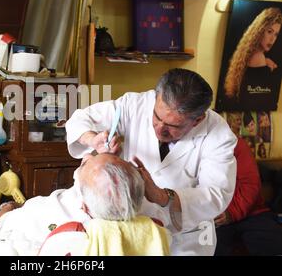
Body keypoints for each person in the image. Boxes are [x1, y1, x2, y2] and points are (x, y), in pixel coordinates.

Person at [65, 68, 237, 256]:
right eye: (156, 117)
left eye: (173, 126)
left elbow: (217, 195)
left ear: (197, 120)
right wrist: (92, 139)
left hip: (184, 238)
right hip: (130, 227)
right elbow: (79, 119)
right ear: (156, 98)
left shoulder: (218, 134)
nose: (160, 129)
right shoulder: (135, 104)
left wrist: (161, 196)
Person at [0, 153, 171, 256]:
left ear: (85, 206)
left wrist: (6, 208)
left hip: (21, 221)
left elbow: (1, 228)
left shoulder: (47, 220)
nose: (87, 155)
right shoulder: (153, 229)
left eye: (87, 163)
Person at [214, 137, 282, 256]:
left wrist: (232, 213)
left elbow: (250, 185)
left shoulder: (234, 143)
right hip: (213, 218)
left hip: (251, 212)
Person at [221, 7, 282, 111]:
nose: (272, 39)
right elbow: (262, 101)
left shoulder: (244, 53)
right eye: (269, 31)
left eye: (276, 34)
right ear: (260, 30)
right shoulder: (259, 58)